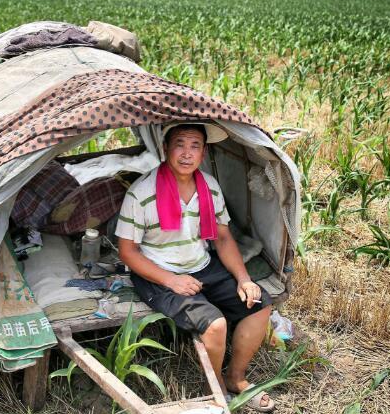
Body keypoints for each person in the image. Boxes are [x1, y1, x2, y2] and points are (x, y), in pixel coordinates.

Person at [115, 122, 275, 412]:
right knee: (215, 325)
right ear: (165, 149)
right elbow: (128, 252)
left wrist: (243, 279)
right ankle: (212, 390)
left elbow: (224, 237)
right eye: (179, 144)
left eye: (195, 146)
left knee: (260, 304)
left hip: (202, 264)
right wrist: (171, 280)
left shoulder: (209, 187)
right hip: (157, 271)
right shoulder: (141, 193)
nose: (186, 154)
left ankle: (235, 378)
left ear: (203, 153)